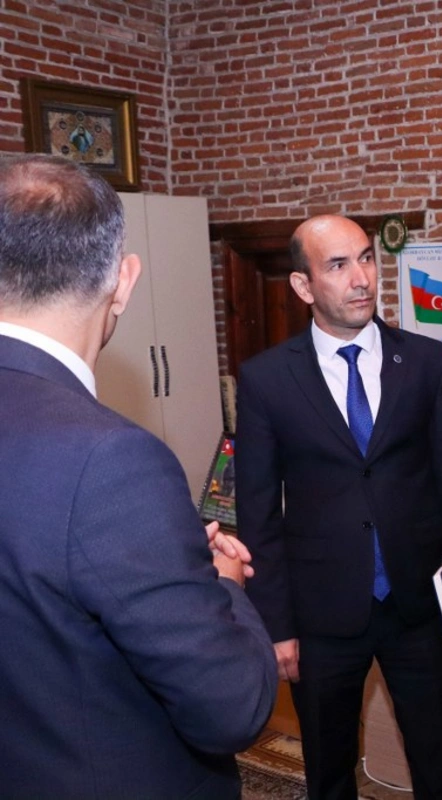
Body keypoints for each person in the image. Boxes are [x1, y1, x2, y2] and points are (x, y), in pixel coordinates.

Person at [0, 154, 277, 798]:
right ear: (123, 281)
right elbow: (232, 707)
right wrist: (222, 582)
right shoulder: (112, 460)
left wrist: (163, 562)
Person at [236, 215, 442, 800]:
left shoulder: (425, 362)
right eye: (338, 265)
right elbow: (259, 514)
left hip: (418, 605)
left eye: (366, 258)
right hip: (320, 614)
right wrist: (275, 624)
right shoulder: (266, 380)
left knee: (436, 757)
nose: (361, 278)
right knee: (329, 768)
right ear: (303, 285)